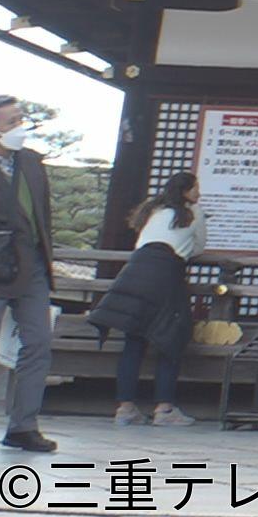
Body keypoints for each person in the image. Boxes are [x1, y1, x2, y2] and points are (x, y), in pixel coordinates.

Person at [91, 171, 208, 426]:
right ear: (187, 191)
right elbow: (198, 247)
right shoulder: (192, 211)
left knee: (134, 338)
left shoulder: (153, 209)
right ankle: (164, 409)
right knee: (170, 335)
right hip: (166, 272)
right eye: (196, 188)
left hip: (136, 270)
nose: (199, 192)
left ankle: (125, 408)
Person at [0, 94, 58, 452]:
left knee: (37, 344)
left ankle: (23, 425)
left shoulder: (32, 162)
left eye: (20, 120)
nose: (18, 128)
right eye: (9, 123)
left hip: (31, 265)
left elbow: (43, 216)